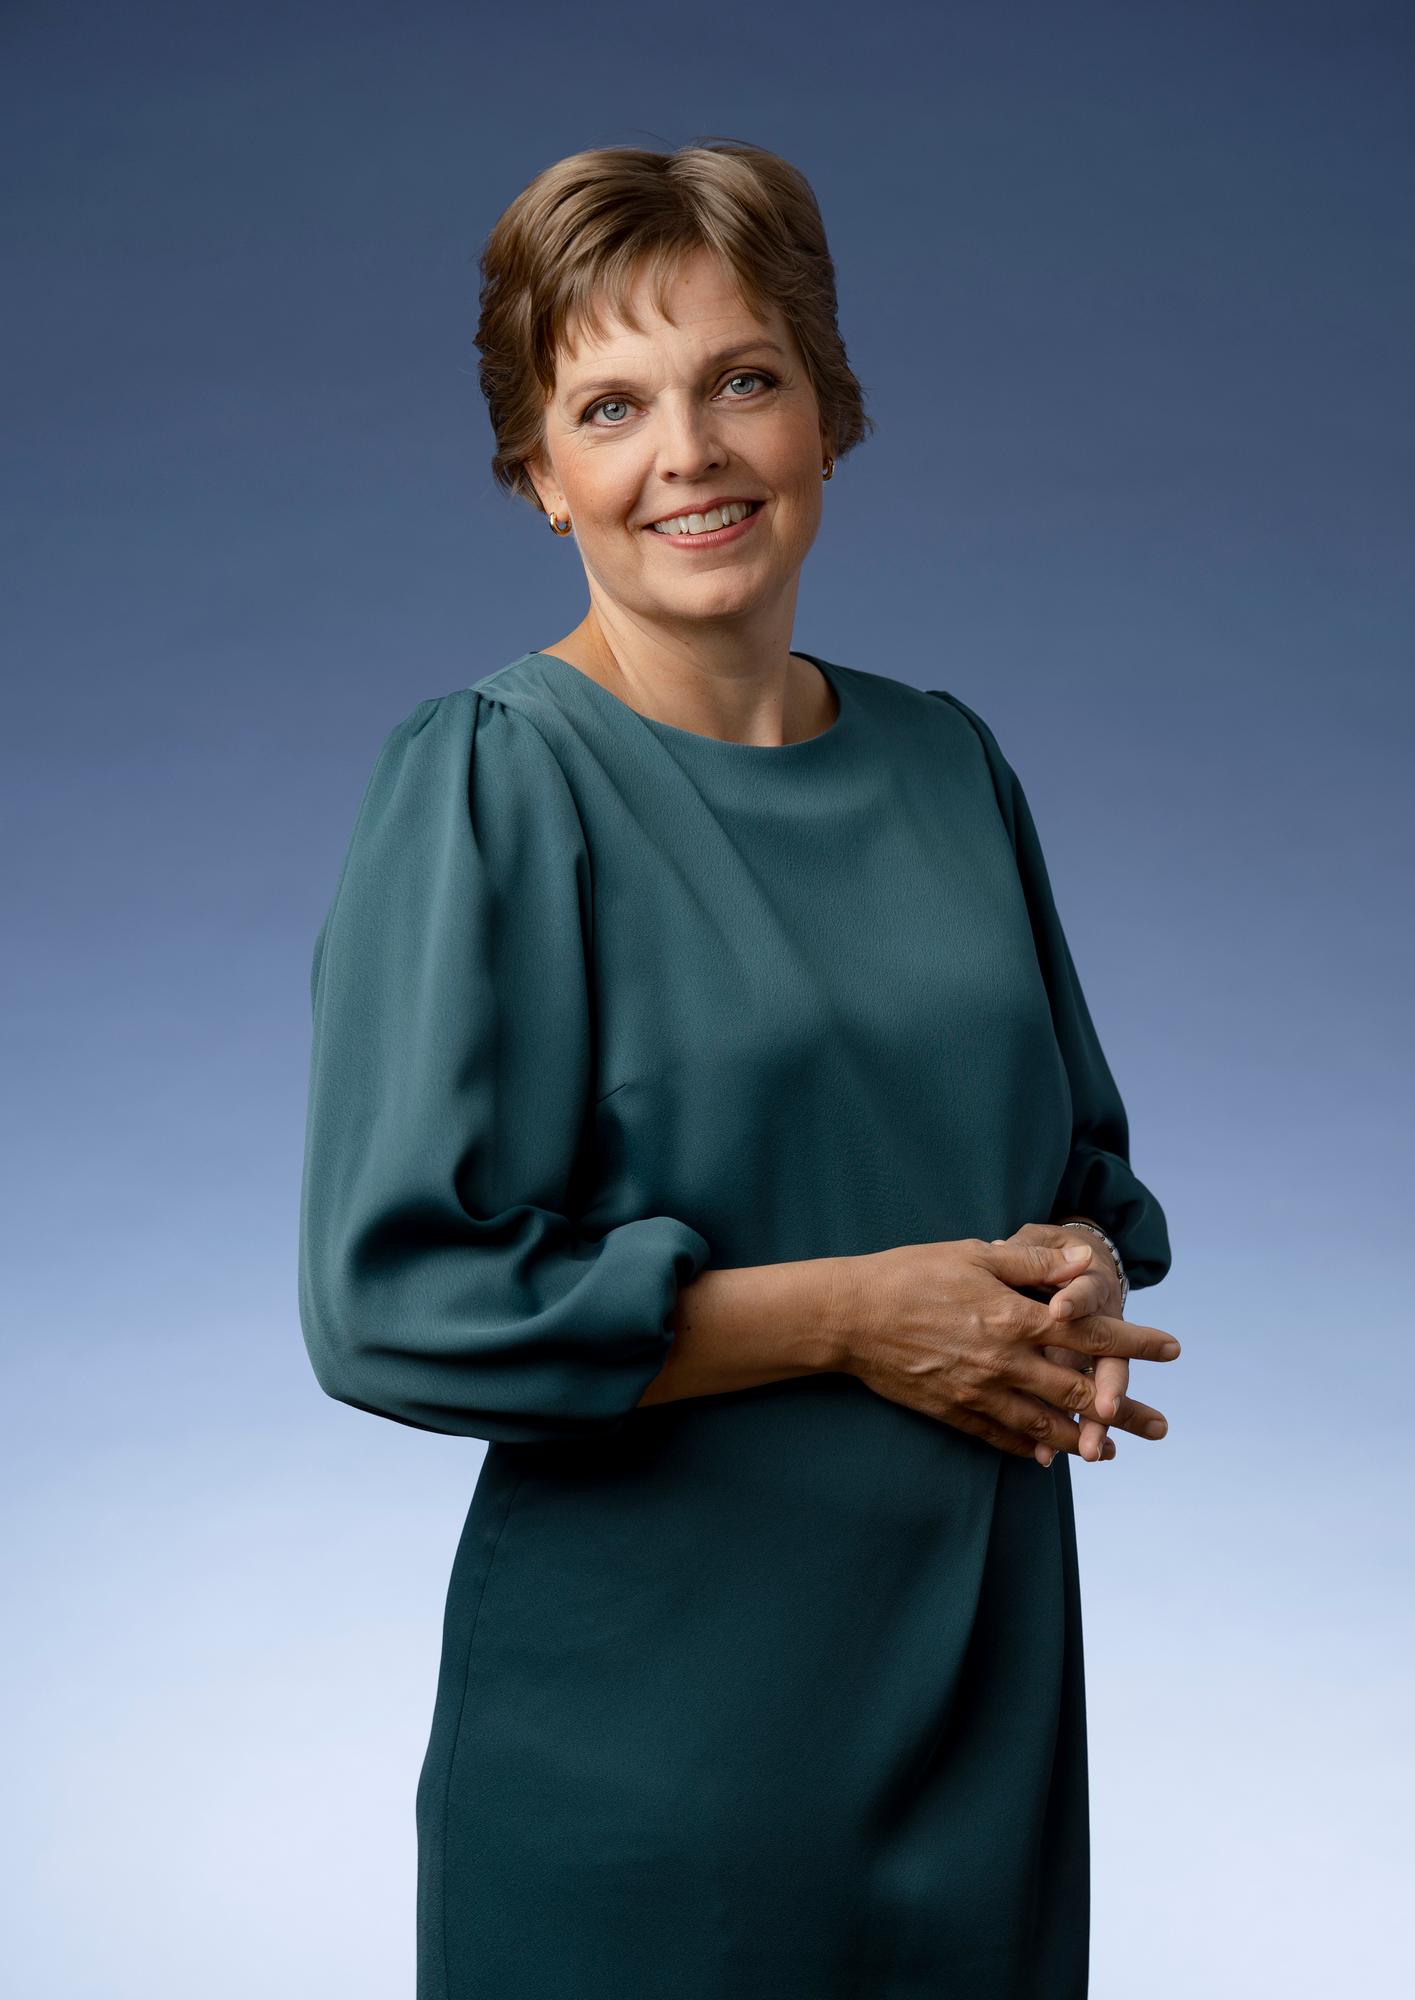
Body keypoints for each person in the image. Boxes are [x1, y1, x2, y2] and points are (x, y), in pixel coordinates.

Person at [297, 138, 1179, 2000]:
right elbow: (395, 1305)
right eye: (610, 407)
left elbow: (1078, 1169)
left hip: (983, 1717)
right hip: (651, 1765)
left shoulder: (947, 763)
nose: (688, 453)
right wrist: (853, 1319)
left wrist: (1079, 1270)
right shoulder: (495, 780)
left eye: (742, 381)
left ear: (827, 418)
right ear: (539, 475)